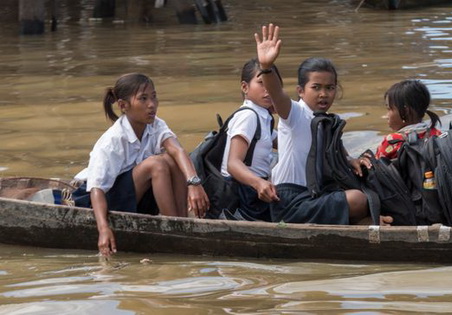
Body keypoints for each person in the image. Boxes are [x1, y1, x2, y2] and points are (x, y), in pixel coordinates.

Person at [255, 23, 392, 226]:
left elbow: (331, 150)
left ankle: (371, 223)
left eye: (330, 88)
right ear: (301, 91)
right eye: (316, 87)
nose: (323, 94)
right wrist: (266, 68)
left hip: (314, 195)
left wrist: (350, 160)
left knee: (370, 195)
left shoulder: (326, 122)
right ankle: (369, 223)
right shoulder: (295, 114)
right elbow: (277, 93)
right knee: (358, 199)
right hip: (289, 200)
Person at [72, 73, 210, 256]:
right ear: (123, 106)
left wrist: (194, 183)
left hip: (135, 197)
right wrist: (103, 229)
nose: (151, 104)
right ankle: (173, 231)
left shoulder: (156, 125)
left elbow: (177, 150)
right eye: (143, 99)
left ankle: (181, 223)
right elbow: (97, 190)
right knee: (156, 164)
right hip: (100, 201)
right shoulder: (113, 140)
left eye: (154, 97)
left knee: (170, 159)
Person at [220, 58, 280, 221]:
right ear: (245, 87)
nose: (268, 89)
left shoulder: (263, 116)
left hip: (250, 190)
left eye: (272, 83)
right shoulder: (248, 116)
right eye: (261, 83)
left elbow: (287, 143)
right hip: (243, 194)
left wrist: (284, 111)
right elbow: (233, 164)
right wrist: (258, 183)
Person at [363, 79, 441, 162]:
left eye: (389, 109)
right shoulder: (437, 134)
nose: (386, 116)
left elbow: (377, 167)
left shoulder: (392, 141)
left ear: (405, 111)